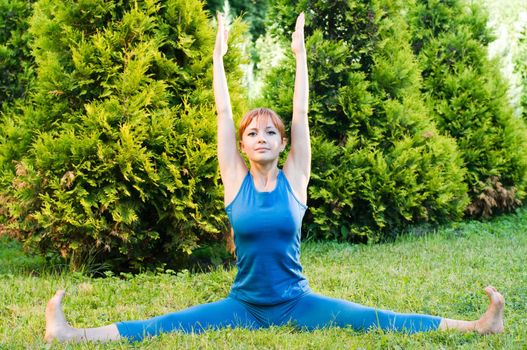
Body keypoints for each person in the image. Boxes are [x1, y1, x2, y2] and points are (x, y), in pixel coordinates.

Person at [44, 12, 505, 343]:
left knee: (376, 317)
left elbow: (301, 112)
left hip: (297, 301)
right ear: (242, 145)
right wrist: (218, 56)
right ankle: (68, 333)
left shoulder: (294, 180)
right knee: (161, 324)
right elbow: (223, 111)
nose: (260, 136)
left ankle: (478, 326)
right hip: (241, 304)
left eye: (270, 131)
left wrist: (300, 55)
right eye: (252, 132)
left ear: (282, 144)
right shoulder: (235, 181)